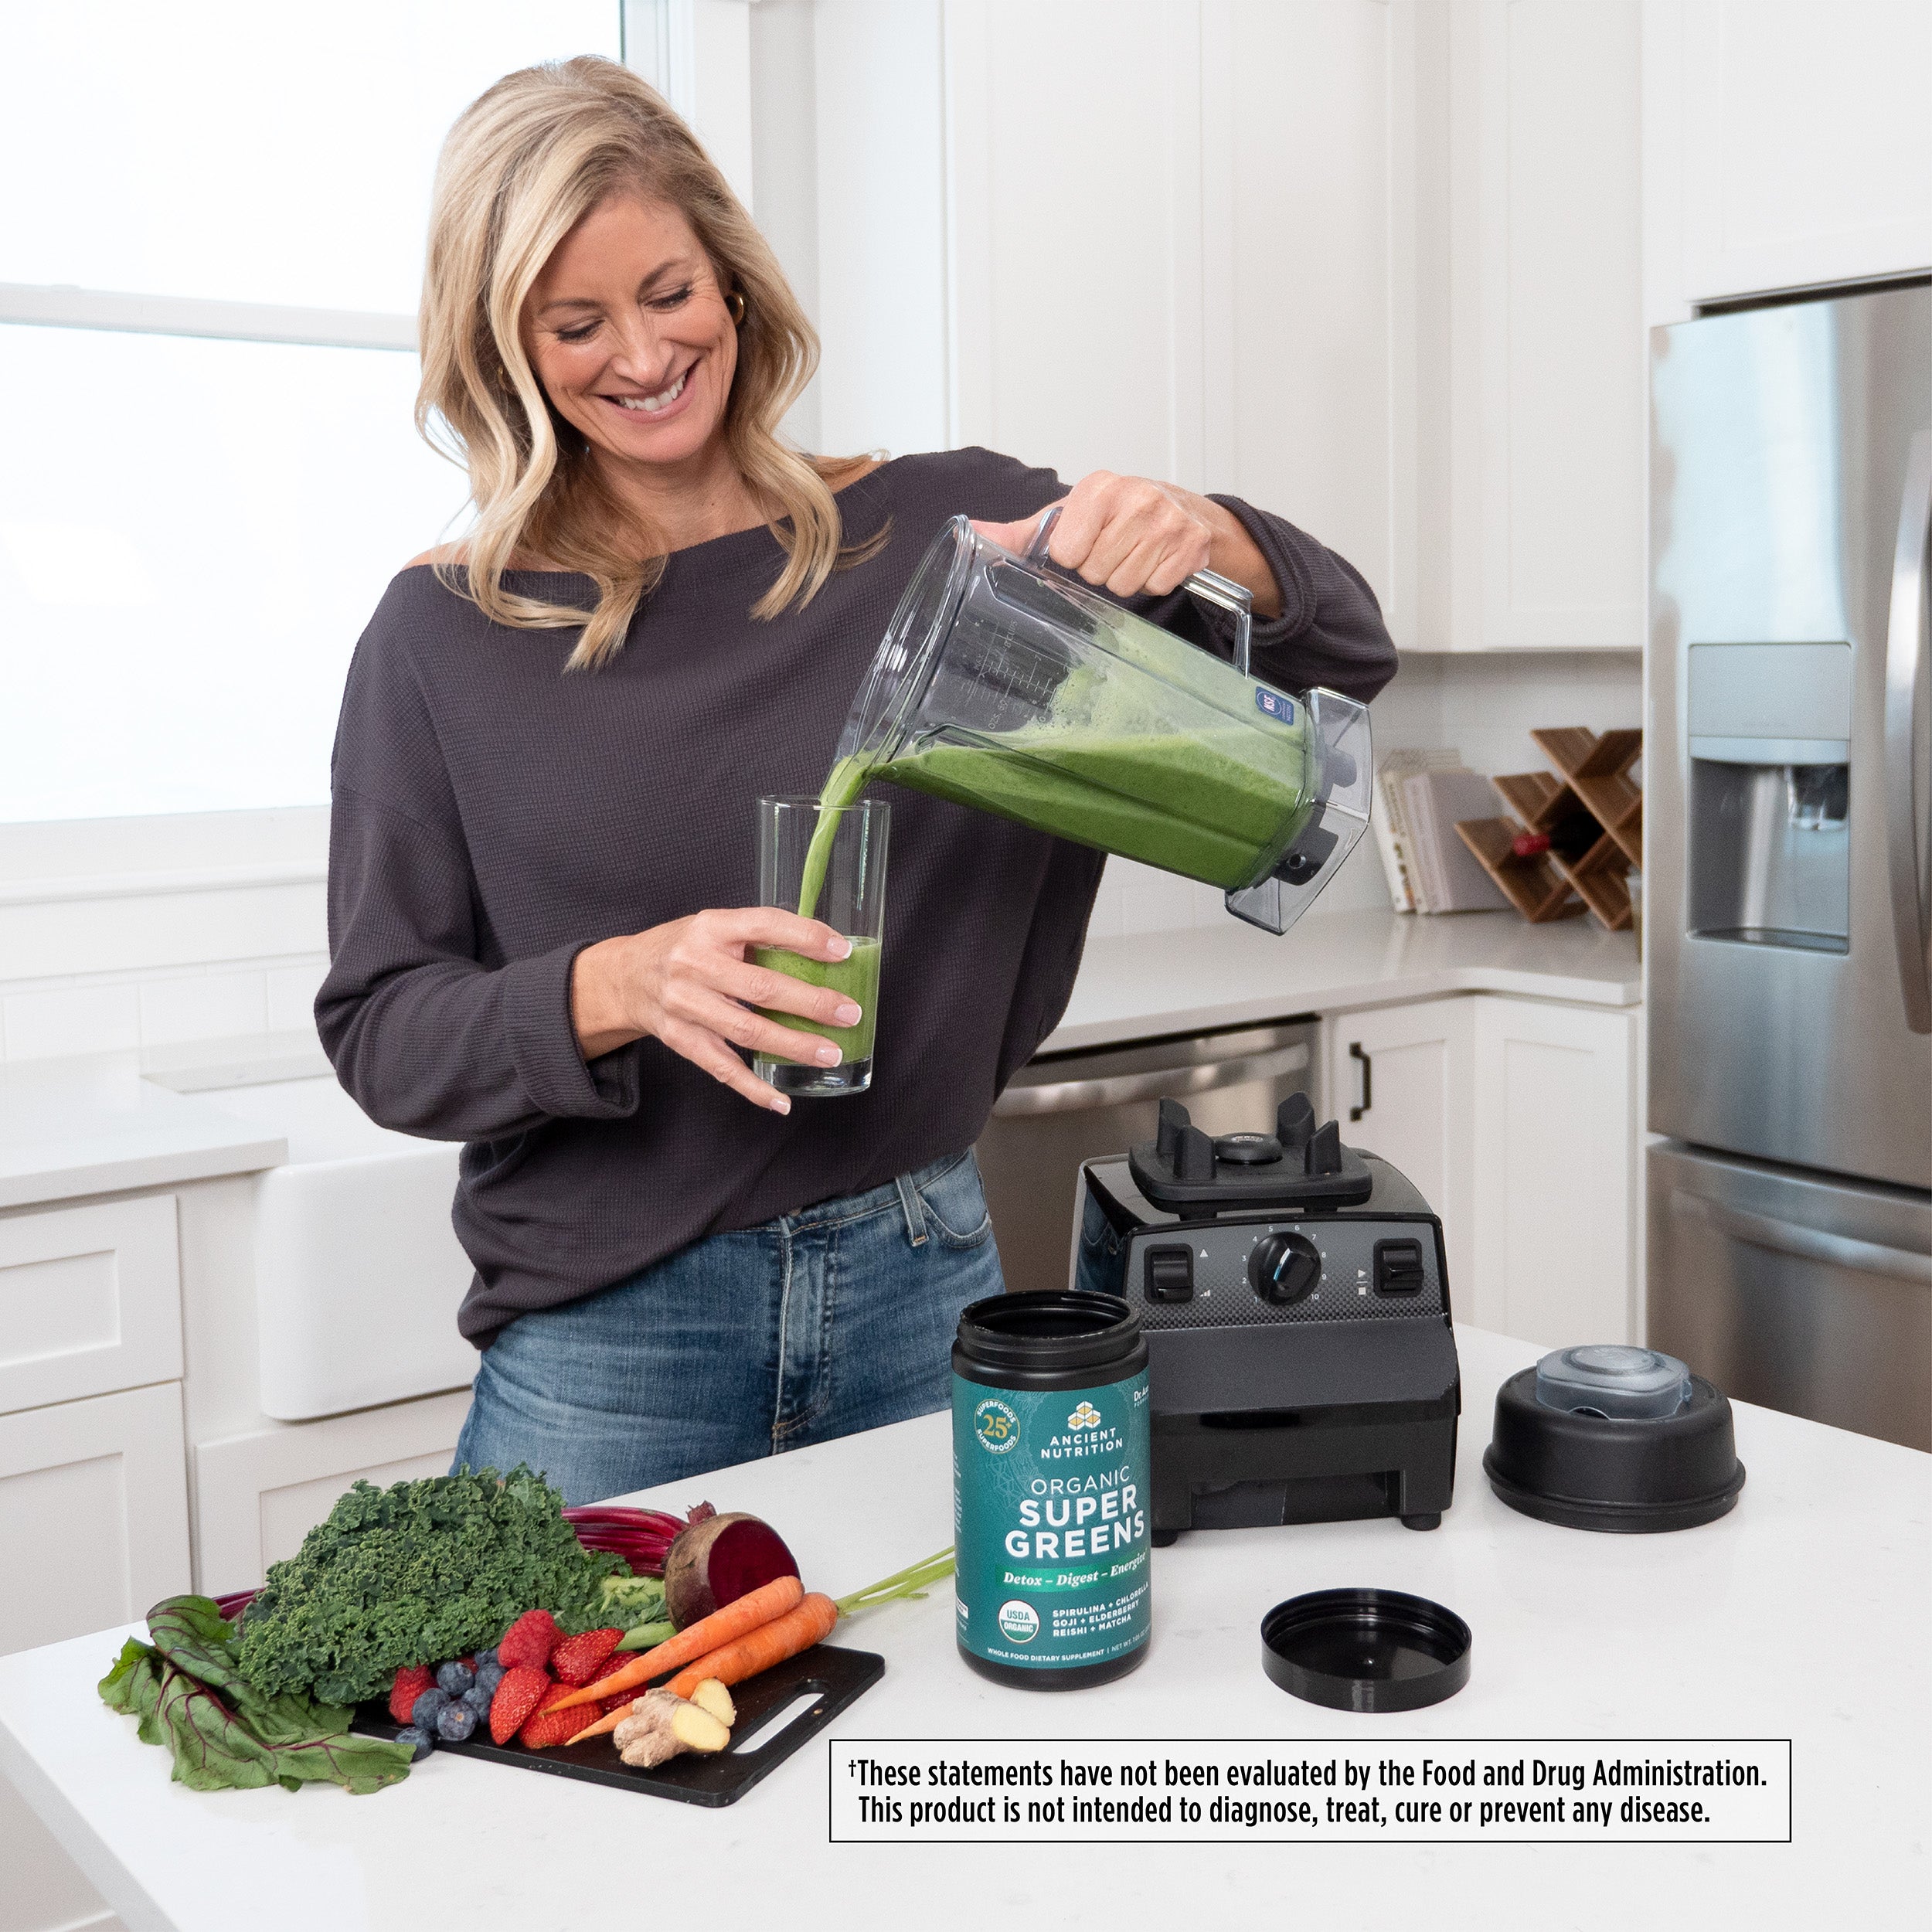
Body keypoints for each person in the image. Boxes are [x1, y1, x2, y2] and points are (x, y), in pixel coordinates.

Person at [318, 56, 1396, 1506]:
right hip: (609, 1342)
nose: (641, 355)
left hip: (921, 1276)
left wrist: (1218, 536)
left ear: (735, 284)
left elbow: (1346, 655)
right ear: (501, 346)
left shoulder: (959, 537)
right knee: (546, 1731)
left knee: (945, 1725)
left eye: (670, 293)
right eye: (575, 324)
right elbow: (384, 1031)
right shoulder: (452, 634)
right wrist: (620, 986)